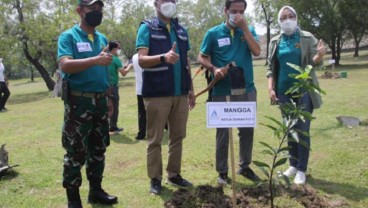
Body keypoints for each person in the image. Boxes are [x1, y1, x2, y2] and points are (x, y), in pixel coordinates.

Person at [57, 0, 118, 207]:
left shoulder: (101, 38)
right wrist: (94, 59)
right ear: (80, 11)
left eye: (100, 9)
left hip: (100, 102)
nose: (97, 12)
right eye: (93, 8)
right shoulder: (69, 37)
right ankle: (73, 200)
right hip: (78, 104)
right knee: (76, 152)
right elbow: (65, 65)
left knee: (99, 149)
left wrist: (108, 97)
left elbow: (104, 71)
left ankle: (96, 191)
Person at [197, 0, 261, 186]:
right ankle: (223, 172)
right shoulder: (213, 33)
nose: (238, 15)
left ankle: (245, 166)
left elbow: (257, 51)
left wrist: (245, 28)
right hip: (222, 90)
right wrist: (213, 68)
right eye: (234, 11)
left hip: (246, 89)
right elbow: (201, 56)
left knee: (247, 131)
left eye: (241, 11)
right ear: (225, 11)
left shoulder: (248, 30)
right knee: (223, 133)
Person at [135, 0, 196, 195]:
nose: (169, 3)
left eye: (172, 0)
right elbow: (141, 60)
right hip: (157, 94)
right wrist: (163, 57)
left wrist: (191, 89)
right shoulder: (147, 28)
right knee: (155, 139)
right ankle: (155, 179)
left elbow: (186, 62)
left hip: (180, 94)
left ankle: (174, 174)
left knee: (178, 136)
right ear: (156, 3)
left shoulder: (181, 30)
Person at [266, 6, 325, 185]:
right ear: (279, 21)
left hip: (304, 89)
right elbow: (270, 68)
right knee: (289, 129)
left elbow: (313, 63)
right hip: (284, 92)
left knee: (302, 129)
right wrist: (271, 88)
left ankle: (301, 169)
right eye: (284, 17)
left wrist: (319, 57)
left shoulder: (307, 38)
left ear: (297, 18)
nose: (288, 19)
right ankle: (292, 164)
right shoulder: (275, 41)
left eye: (291, 16)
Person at [108, 40, 132, 133]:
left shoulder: (105, 57)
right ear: (114, 49)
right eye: (119, 48)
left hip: (104, 86)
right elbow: (124, 73)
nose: (119, 50)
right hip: (113, 86)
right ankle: (113, 126)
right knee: (114, 107)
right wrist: (129, 66)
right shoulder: (115, 59)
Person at [132, 53, 147, 140]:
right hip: (150, 88)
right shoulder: (149, 55)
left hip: (139, 89)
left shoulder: (134, 57)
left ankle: (141, 133)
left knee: (141, 112)